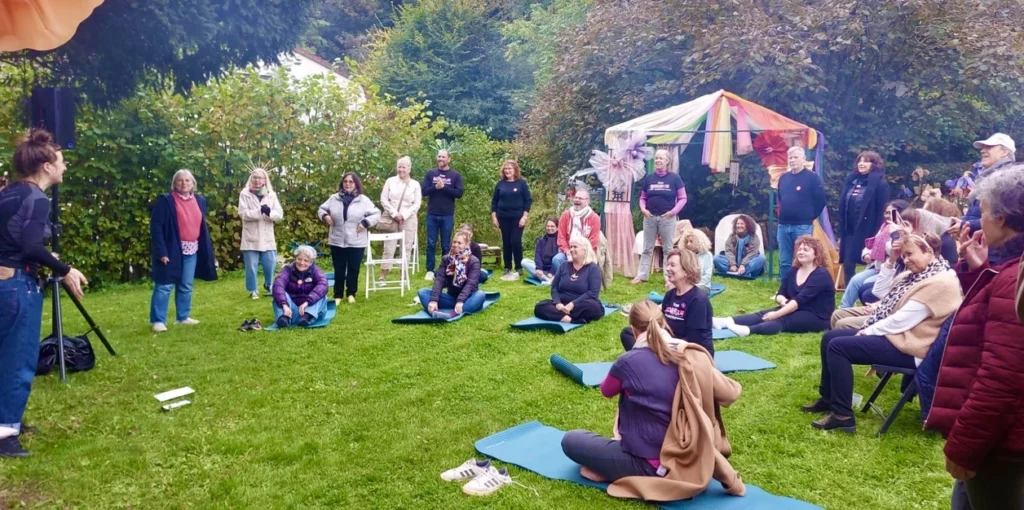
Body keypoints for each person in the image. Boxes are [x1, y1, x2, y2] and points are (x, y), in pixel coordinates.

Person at [561, 301, 745, 498]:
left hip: (651, 463)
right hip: (691, 455)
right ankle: (612, 468)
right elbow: (731, 392)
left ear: (633, 329)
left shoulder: (628, 362)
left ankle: (613, 473)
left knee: (571, 440)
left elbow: (606, 390)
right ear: (663, 322)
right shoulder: (691, 355)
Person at [925, 167, 1024, 510]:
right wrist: (980, 272)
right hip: (1000, 440)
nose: (978, 221)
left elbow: (1002, 377)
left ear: (1001, 217)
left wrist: (964, 445)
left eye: (981, 211)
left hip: (1000, 448)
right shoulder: (1011, 272)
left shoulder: (1014, 280)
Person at [803, 233, 961, 433]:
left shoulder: (941, 282)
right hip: (899, 338)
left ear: (928, 251)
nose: (906, 259)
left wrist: (868, 331)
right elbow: (879, 292)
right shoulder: (918, 275)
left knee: (838, 347)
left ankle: (842, 416)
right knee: (829, 338)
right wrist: (892, 259)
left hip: (914, 349)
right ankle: (828, 398)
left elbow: (902, 320)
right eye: (903, 255)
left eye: (909, 254)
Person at [0, 129, 89, 457]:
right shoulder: (37, 198)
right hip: (16, 286)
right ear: (47, 166)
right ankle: (5, 433)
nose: (65, 168)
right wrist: (65, 270)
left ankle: (6, 421)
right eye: (62, 162)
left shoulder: (8, 193)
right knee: (18, 359)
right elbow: (31, 246)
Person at [713, 236, 835, 337]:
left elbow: (799, 301)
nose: (801, 252)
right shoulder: (793, 270)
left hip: (817, 316)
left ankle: (748, 330)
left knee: (780, 319)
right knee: (763, 314)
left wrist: (777, 314)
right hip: (795, 308)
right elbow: (780, 294)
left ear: (816, 254)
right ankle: (725, 322)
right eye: (800, 249)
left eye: (806, 250)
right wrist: (782, 301)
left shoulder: (821, 274)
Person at [149, 169, 217, 333]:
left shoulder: (200, 201)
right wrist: (162, 251)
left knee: (186, 285)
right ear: (174, 184)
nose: (184, 183)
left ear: (193, 183)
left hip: (192, 248)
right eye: (180, 180)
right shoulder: (166, 201)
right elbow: (156, 227)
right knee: (165, 285)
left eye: (187, 180)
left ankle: (183, 317)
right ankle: (158, 320)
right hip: (172, 249)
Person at [621, 249, 713, 354]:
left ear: (687, 270)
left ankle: (648, 359)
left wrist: (664, 345)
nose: (668, 268)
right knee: (628, 333)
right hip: (668, 343)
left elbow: (694, 340)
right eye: (668, 264)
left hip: (691, 351)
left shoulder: (698, 300)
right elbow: (660, 325)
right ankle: (649, 359)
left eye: (673, 265)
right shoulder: (670, 295)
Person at [318, 172, 380, 304]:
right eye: (345, 181)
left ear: (356, 184)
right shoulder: (334, 198)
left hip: (356, 240)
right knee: (339, 268)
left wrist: (365, 223)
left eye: (351, 182)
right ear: (342, 183)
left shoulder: (363, 200)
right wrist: (325, 216)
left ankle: (351, 293)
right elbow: (321, 209)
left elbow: (376, 214)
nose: (348, 184)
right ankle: (337, 295)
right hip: (337, 239)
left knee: (354, 268)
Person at [839, 200, 910, 308]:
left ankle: (868, 311)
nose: (888, 216)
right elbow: (871, 244)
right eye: (886, 213)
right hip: (877, 266)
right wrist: (866, 254)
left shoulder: (903, 230)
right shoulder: (884, 227)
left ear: (901, 213)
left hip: (893, 270)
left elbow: (894, 250)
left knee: (866, 283)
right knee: (856, 280)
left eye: (892, 213)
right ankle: (843, 309)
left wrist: (894, 233)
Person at [632, 150, 687, 284]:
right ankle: (641, 276)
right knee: (647, 248)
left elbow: (683, 198)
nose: (657, 160)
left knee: (668, 249)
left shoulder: (675, 178)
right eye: (656, 158)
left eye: (661, 158)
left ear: (667, 161)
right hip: (650, 217)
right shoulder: (649, 178)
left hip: (667, 218)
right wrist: (643, 209)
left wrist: (673, 212)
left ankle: (669, 278)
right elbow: (643, 197)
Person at [838, 151, 890, 286]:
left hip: (869, 231)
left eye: (866, 161)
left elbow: (881, 211)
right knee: (848, 264)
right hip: (850, 231)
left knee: (871, 265)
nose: (861, 164)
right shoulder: (851, 182)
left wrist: (878, 234)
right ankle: (849, 294)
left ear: (874, 164)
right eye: (860, 161)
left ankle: (869, 292)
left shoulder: (880, 184)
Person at [950, 133, 1016, 237]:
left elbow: (1003, 218)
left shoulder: (1007, 178)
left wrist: (966, 224)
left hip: (998, 250)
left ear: (1004, 152)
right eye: (983, 147)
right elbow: (978, 215)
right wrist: (962, 222)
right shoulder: (989, 177)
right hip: (983, 246)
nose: (982, 150)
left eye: (989, 146)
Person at [777, 146, 827, 277]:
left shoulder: (812, 178)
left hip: (802, 226)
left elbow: (821, 201)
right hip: (783, 225)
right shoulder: (783, 178)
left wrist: (809, 216)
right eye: (790, 157)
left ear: (804, 159)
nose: (792, 160)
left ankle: (801, 287)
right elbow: (780, 199)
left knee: (803, 260)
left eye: (796, 157)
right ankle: (784, 290)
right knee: (785, 261)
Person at [534, 235, 604, 324]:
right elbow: (554, 287)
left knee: (595, 308)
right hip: (562, 303)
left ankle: (559, 315)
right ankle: (570, 319)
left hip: (581, 303)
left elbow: (593, 293)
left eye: (575, 247)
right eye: (570, 247)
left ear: (585, 249)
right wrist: (558, 303)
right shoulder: (564, 265)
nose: (571, 249)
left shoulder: (593, 268)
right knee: (540, 306)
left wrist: (572, 304)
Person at [238, 167, 283, 299]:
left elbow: (279, 215)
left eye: (260, 177)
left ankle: (269, 285)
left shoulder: (271, 194)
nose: (257, 180)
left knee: (270, 262)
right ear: (251, 179)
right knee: (251, 265)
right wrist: (259, 212)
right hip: (250, 235)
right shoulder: (244, 194)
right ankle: (253, 289)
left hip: (267, 235)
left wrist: (269, 213)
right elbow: (243, 214)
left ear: (265, 179)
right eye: (255, 177)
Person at [417, 230, 486, 318]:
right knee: (422, 292)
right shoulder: (446, 259)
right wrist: (434, 300)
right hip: (451, 297)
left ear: (466, 245)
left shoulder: (473, 261)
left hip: (468, 298)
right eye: (454, 242)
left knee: (480, 295)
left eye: (459, 243)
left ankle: (453, 314)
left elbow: (470, 284)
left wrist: (460, 301)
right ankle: (435, 312)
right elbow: (439, 280)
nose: (455, 245)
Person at [421, 150, 464, 281]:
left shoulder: (455, 175)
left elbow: (459, 193)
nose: (441, 159)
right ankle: (429, 270)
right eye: (439, 156)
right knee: (431, 243)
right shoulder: (431, 174)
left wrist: (444, 187)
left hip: (447, 215)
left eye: (443, 157)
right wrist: (436, 187)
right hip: (432, 214)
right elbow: (423, 191)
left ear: (449, 159)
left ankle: (446, 269)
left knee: (446, 244)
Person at [378, 156, 422, 280]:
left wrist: (404, 215)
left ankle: (403, 277)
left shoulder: (415, 184)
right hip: (391, 218)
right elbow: (383, 199)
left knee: (406, 248)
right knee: (389, 247)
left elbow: (417, 204)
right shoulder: (390, 181)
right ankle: (382, 276)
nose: (401, 169)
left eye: (403, 167)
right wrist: (394, 214)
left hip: (409, 219)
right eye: (399, 166)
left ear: (409, 168)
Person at [490, 159, 532, 281]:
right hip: (503, 217)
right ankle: (507, 267)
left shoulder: (521, 184)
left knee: (515, 241)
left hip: (518, 218)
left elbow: (528, 200)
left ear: (515, 170)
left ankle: (519, 266)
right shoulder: (500, 184)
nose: (507, 171)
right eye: (506, 168)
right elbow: (494, 201)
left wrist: (525, 216)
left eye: (510, 168)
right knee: (506, 242)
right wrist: (494, 216)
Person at [271, 245, 329, 329]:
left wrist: (307, 302)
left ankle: (307, 317)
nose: (302, 263)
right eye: (299, 259)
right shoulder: (287, 269)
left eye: (306, 260)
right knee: (278, 291)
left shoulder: (316, 271)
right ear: (296, 258)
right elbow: (278, 284)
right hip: (290, 307)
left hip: (309, 307)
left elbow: (323, 284)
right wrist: (285, 305)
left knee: (321, 293)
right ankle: (284, 318)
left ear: (311, 262)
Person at [554, 189, 601, 275]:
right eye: (575, 198)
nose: (576, 200)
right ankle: (567, 280)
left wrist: (580, 252)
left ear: (587, 201)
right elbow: (561, 237)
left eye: (580, 198)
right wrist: (568, 251)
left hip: (585, 252)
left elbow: (593, 241)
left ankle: (579, 281)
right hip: (567, 250)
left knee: (591, 265)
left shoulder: (594, 218)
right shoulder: (566, 215)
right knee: (557, 260)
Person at [714, 214, 766, 278]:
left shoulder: (754, 237)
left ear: (747, 225)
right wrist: (733, 264)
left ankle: (738, 273)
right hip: (733, 262)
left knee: (761, 258)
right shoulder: (732, 236)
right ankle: (741, 273)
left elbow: (752, 253)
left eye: (742, 224)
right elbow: (728, 251)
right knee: (716, 258)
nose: (739, 226)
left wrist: (743, 265)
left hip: (747, 263)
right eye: (738, 224)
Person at [521, 218, 559, 285]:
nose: (550, 228)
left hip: (554, 271)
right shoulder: (541, 241)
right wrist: (539, 268)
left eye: (552, 226)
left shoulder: (560, 241)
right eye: (548, 226)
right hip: (542, 269)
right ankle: (549, 280)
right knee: (524, 262)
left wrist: (551, 272)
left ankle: (548, 279)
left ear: (557, 228)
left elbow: (558, 260)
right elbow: (537, 255)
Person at [681, 228, 713, 294]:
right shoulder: (685, 255)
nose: (688, 244)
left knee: (688, 291)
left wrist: (692, 284)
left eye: (691, 241)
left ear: (698, 242)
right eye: (687, 242)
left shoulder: (707, 255)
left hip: (703, 286)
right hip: (685, 285)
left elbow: (707, 276)